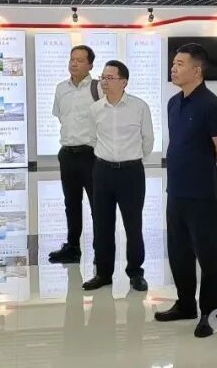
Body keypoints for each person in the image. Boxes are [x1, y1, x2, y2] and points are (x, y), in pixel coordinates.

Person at [155, 44, 217, 338]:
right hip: (176, 190)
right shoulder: (174, 103)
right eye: (173, 63)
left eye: (180, 64)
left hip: (201, 193)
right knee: (179, 252)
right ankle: (185, 303)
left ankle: (211, 315)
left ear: (197, 70)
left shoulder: (210, 105)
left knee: (208, 256)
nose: (173, 68)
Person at [83, 60, 154, 292]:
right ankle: (103, 274)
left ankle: (135, 272)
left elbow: (148, 140)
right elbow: (92, 139)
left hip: (131, 173)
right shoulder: (95, 109)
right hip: (102, 171)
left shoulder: (139, 107)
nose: (104, 82)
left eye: (110, 78)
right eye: (102, 77)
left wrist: (132, 159)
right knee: (102, 224)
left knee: (133, 225)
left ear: (124, 82)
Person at [49, 45, 101, 264]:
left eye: (80, 60)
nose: (74, 63)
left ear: (90, 65)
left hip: (91, 155)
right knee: (71, 204)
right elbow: (60, 116)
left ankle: (101, 250)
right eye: (72, 59)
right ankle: (72, 247)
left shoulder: (98, 88)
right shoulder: (61, 88)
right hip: (67, 154)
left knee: (98, 205)